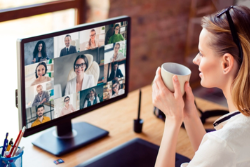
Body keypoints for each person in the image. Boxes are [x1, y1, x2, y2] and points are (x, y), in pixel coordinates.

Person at [153, 6, 250, 167]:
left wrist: (172, 119)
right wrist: (189, 113)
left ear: (226, 63)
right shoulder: (233, 138)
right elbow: (215, 159)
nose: (195, 60)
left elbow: (220, 150)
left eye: (202, 53)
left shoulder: (224, 144)